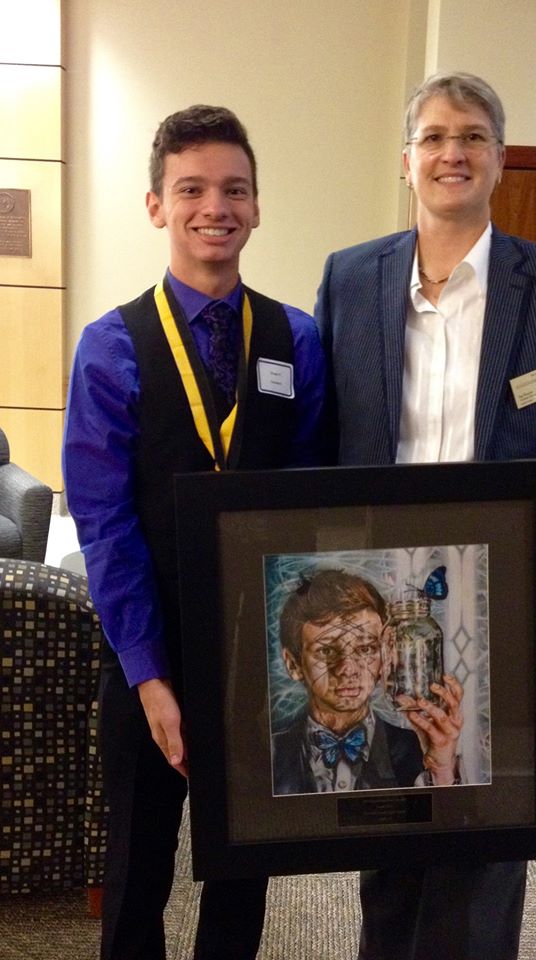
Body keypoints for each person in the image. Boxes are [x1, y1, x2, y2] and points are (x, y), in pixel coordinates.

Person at [314, 72, 536, 960]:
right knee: (388, 813)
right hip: (379, 603)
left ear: (499, 160)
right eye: (432, 137)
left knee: (487, 822)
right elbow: (317, 434)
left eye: (471, 136)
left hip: (512, 604)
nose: (451, 152)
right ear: (406, 161)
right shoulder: (351, 278)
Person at [63, 105, 326, 960]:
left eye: (234, 189)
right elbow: (103, 526)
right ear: (155, 205)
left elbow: (316, 501)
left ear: (257, 207)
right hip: (148, 642)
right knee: (138, 864)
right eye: (192, 189)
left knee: (242, 860)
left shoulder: (298, 340)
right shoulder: (111, 348)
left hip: (262, 648)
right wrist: (149, 678)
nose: (214, 206)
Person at [272, 568, 463, 794]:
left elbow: (454, 823)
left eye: (365, 648)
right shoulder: (269, 752)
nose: (348, 669)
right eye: (326, 651)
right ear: (293, 664)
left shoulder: (417, 748)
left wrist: (442, 769)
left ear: (386, 658)